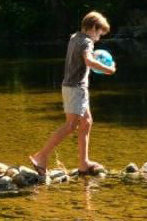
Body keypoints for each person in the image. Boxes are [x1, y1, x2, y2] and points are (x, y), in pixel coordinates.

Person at [29, 11, 115, 176]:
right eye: (99, 34)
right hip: (76, 88)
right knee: (70, 126)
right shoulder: (87, 42)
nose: (98, 38)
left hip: (74, 87)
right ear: (93, 28)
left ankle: (83, 163)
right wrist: (108, 69)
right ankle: (41, 156)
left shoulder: (75, 37)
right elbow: (89, 61)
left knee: (87, 122)